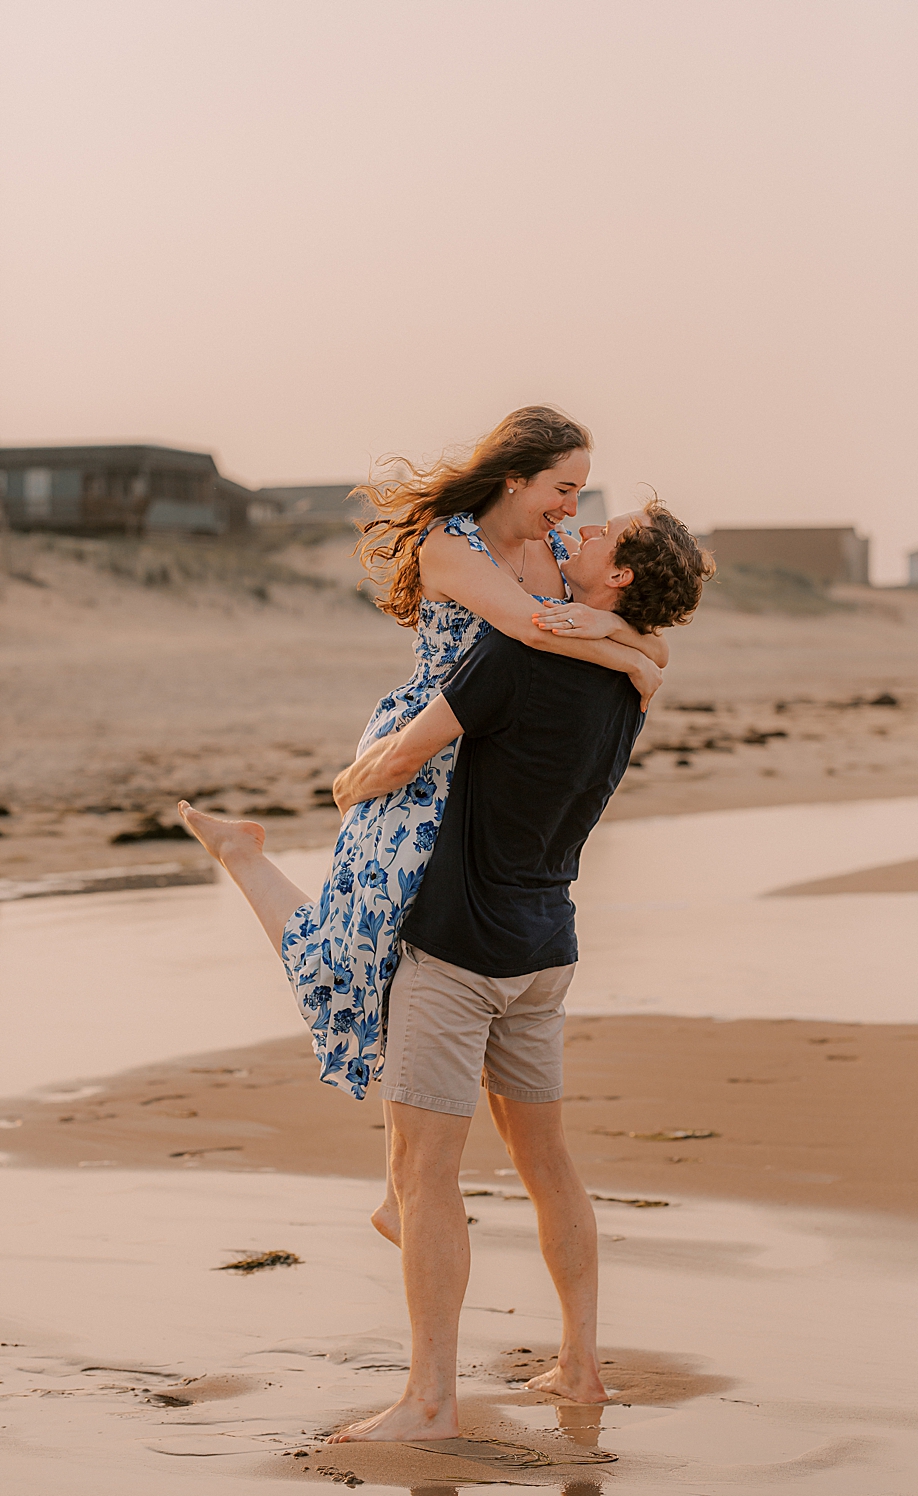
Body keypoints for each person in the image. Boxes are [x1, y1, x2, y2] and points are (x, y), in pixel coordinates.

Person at [181, 496, 711, 1441]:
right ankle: (580, 1368)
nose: (579, 529)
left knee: (422, 1176)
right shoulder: (629, 683)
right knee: (550, 1167)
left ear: (620, 575)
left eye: (600, 533)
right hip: (546, 948)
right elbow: (646, 658)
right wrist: (626, 638)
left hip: (460, 949)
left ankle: (429, 1401)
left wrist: (350, 780)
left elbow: (404, 757)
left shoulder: (518, 658)